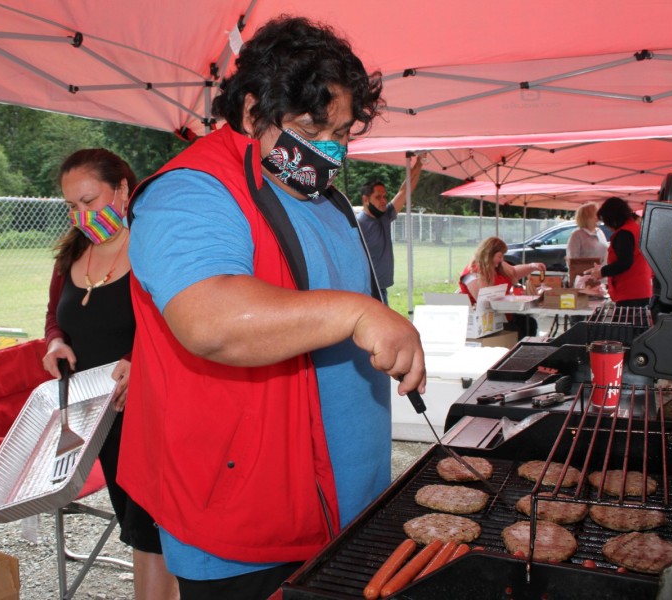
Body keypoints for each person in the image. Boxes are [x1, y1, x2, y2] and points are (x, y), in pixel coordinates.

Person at [117, 16, 425, 600]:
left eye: (343, 130)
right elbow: (210, 320)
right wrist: (358, 314)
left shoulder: (323, 194)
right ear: (254, 109)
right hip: (245, 524)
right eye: (314, 125)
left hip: (346, 505)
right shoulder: (192, 189)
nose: (331, 147)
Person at [42, 149, 179, 600]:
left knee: (151, 534)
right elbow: (54, 318)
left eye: (89, 201)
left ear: (122, 189)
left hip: (153, 416)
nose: (81, 215)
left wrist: (138, 356)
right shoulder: (70, 256)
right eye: (71, 206)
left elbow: (177, 320)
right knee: (139, 528)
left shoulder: (150, 248)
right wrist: (55, 343)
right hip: (101, 420)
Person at [356, 157, 423, 305]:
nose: (383, 200)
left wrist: (419, 163)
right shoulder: (358, 224)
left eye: (385, 196)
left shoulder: (385, 215)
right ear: (365, 199)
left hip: (382, 289)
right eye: (378, 197)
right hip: (368, 291)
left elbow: (405, 191)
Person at [459, 236, 546, 338]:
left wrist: (532, 266)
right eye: (499, 256)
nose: (501, 260)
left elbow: (514, 272)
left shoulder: (499, 265)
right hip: (486, 320)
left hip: (503, 315)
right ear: (489, 254)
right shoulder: (472, 273)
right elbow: (483, 298)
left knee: (530, 324)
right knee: (520, 329)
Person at [585, 197, 653, 307]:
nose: (607, 226)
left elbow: (625, 262)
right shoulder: (635, 229)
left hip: (630, 292)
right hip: (639, 290)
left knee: (626, 323)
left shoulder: (625, 233)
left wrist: (603, 271)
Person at [566, 201, 608, 274]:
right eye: (596, 213)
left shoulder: (599, 232)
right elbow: (572, 261)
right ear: (588, 217)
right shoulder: (577, 235)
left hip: (602, 276)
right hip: (585, 277)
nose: (599, 216)